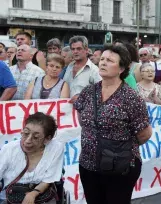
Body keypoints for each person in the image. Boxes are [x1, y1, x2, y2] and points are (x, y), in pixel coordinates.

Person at [74, 44, 152, 204]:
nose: (103, 63)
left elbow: (144, 134)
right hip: (89, 165)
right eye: (102, 59)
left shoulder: (131, 98)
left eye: (110, 60)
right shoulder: (88, 92)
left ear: (121, 68)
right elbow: (83, 121)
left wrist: (117, 146)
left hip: (120, 167)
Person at [0, 112, 64, 204]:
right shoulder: (9, 149)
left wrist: (33, 194)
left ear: (47, 139)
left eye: (36, 137)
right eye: (26, 133)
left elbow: (49, 178)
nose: (27, 140)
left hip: (42, 195)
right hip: (11, 195)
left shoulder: (56, 148)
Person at [63, 35, 101, 103]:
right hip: (67, 110)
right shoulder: (69, 67)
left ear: (86, 50)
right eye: (73, 49)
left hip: (85, 111)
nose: (75, 51)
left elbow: (102, 93)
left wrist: (83, 97)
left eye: (79, 49)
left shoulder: (94, 71)